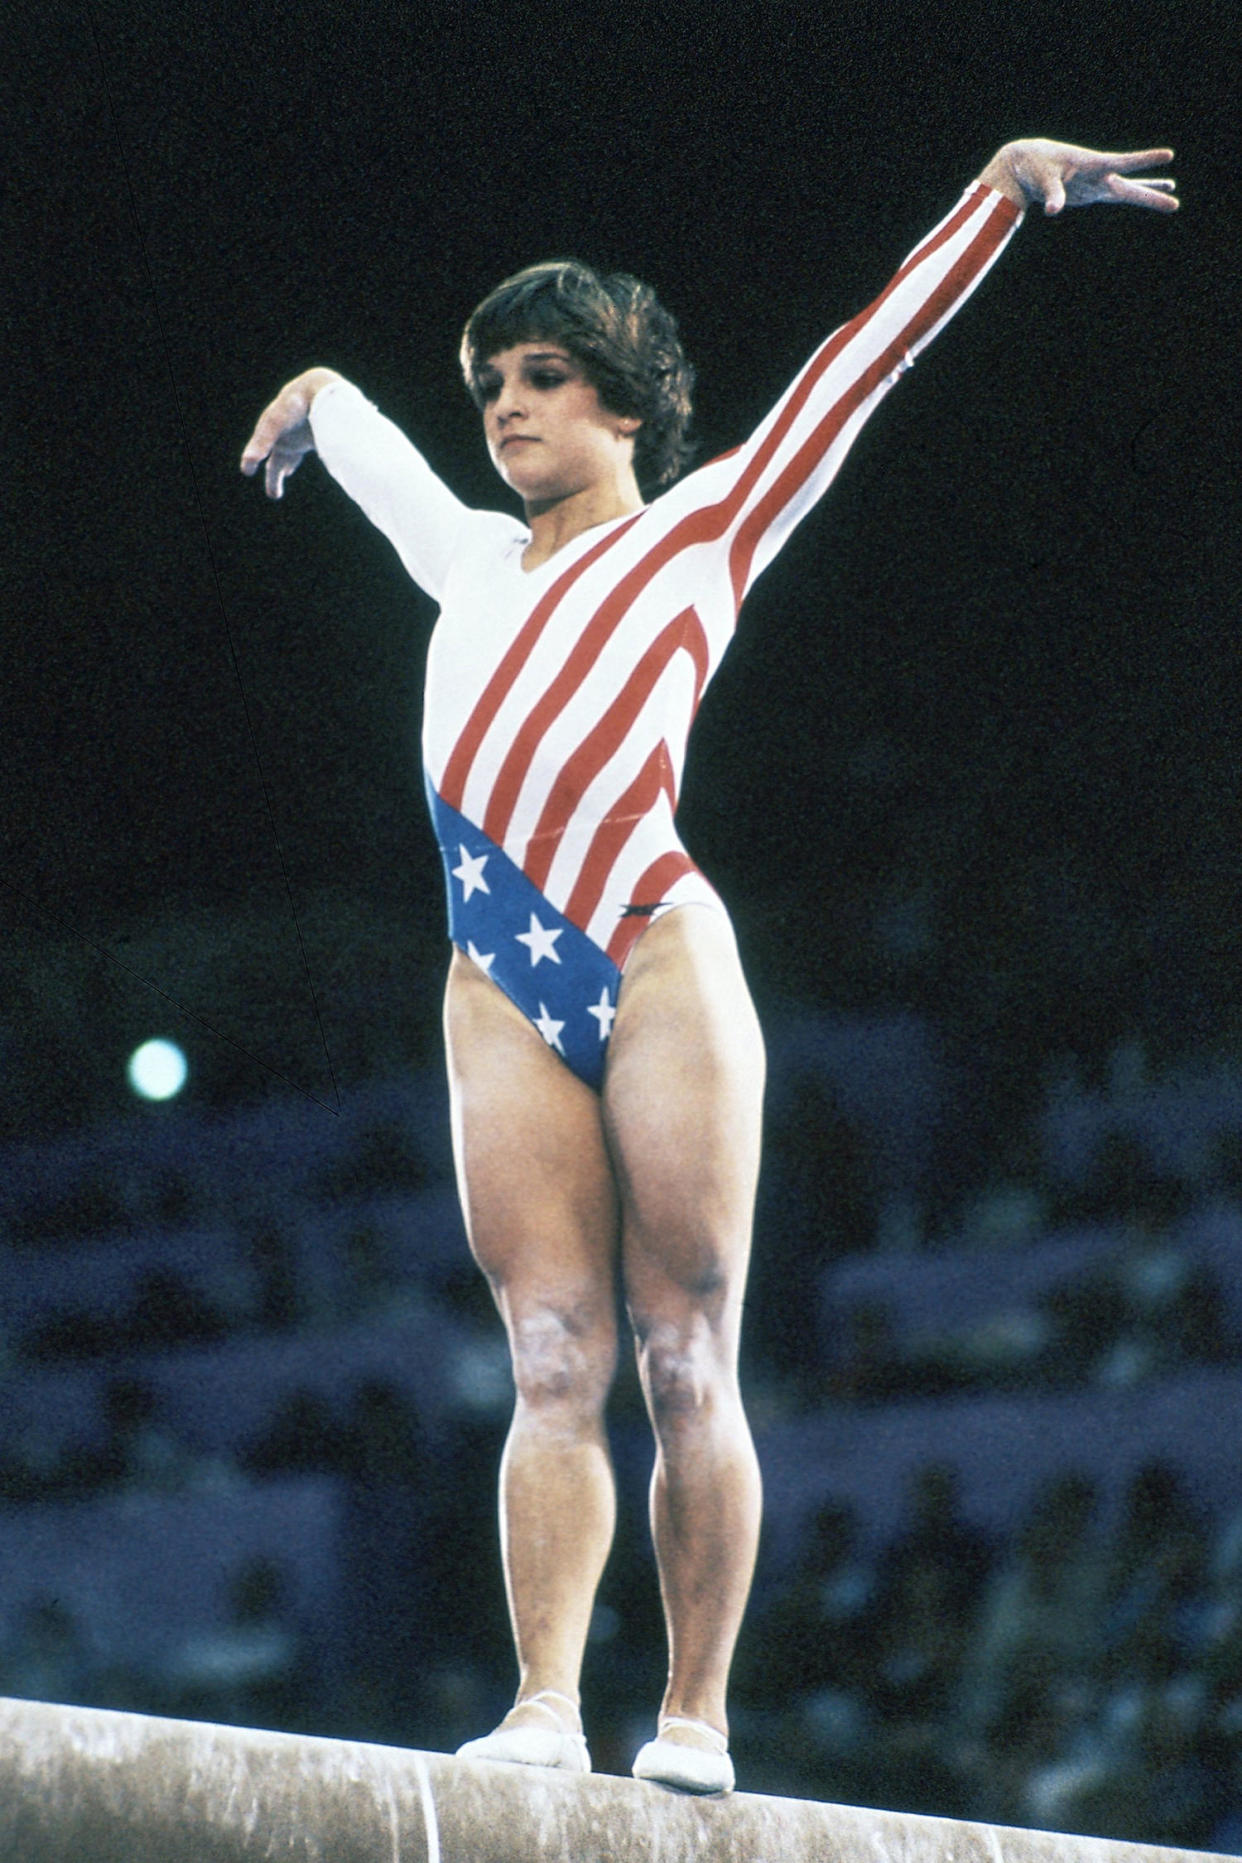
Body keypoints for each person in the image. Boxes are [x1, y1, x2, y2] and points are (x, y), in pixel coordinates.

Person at [241, 139, 1176, 1793]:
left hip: (657, 953)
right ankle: (542, 1706)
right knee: (549, 1355)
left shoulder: (701, 534)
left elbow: (856, 365)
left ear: (623, 404)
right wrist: (313, 396)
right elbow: (354, 427)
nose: (503, 409)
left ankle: (693, 1719)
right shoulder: (462, 560)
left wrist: (1005, 191)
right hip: (498, 982)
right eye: (487, 385)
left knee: (683, 1353)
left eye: (541, 377)